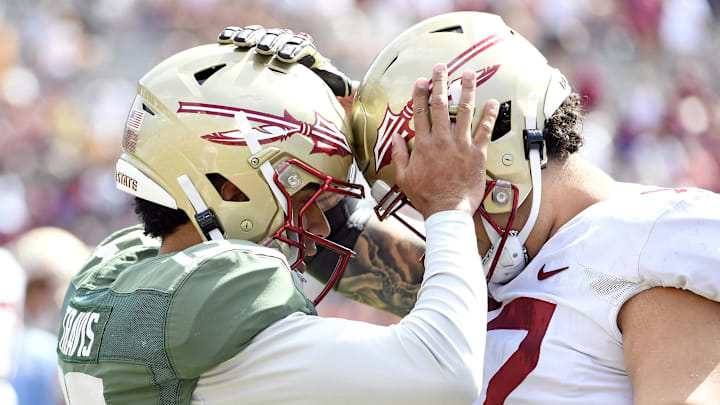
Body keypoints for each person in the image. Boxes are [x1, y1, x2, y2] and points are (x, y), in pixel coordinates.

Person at [231, 12, 720, 405]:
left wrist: (447, 201)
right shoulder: (525, 254)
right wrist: (294, 117)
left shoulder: (647, 246)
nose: (429, 218)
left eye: (424, 196)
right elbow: (371, 265)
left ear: (493, 159)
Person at [56, 34, 496, 404]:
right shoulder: (219, 325)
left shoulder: (119, 271)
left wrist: (340, 115)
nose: (321, 231)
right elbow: (446, 370)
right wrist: (450, 203)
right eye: (308, 200)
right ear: (231, 191)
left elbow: (342, 246)